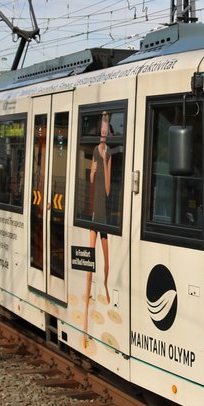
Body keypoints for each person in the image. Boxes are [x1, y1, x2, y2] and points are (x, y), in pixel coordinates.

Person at [85, 112, 112, 305]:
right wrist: (92, 173)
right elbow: (92, 182)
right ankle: (87, 291)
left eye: (105, 132)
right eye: (101, 131)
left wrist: (103, 161)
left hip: (104, 210)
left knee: (106, 256)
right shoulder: (95, 150)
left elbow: (108, 189)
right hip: (95, 207)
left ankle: (106, 287)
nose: (103, 135)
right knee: (89, 254)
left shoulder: (108, 153)